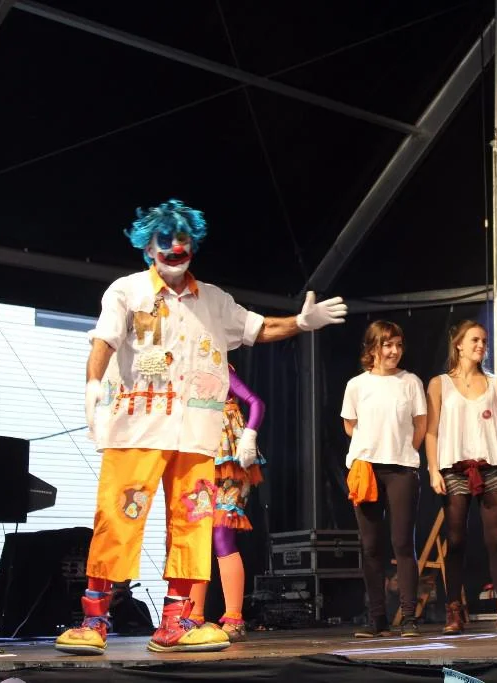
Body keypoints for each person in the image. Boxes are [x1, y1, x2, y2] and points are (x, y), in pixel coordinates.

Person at [55, 199, 347, 655]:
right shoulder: (127, 291)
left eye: (183, 240)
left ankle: (177, 622)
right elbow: (105, 340)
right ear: (148, 246)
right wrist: (93, 383)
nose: (175, 248)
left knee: (192, 525)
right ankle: (94, 620)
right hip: (136, 429)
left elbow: (258, 328)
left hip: (195, 434)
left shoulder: (214, 300)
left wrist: (301, 323)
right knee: (118, 519)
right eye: (165, 240)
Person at [426, 320, 497, 634]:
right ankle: (454, 610)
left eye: (484, 341)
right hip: (454, 467)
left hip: (490, 466)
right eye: (475, 340)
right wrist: (433, 468)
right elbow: (431, 430)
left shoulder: (494, 384)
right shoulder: (440, 384)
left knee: (496, 539)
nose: (481, 346)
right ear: (459, 344)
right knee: (456, 540)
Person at [342, 321, 426, 638]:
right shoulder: (357, 385)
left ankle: (409, 617)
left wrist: (403, 449)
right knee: (371, 546)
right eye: (388, 344)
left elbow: (421, 424)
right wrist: (371, 445)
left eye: (398, 345)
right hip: (366, 468)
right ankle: (377, 618)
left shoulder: (411, 382)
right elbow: (349, 425)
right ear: (373, 347)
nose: (394, 351)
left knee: (403, 543)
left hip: (402, 468)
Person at [187, 366, 266, 642]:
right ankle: (192, 617)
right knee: (197, 538)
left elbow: (256, 402)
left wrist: (250, 434)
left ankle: (234, 617)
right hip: (197, 458)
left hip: (229, 460)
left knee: (222, 535)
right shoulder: (182, 372)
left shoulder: (218, 368)